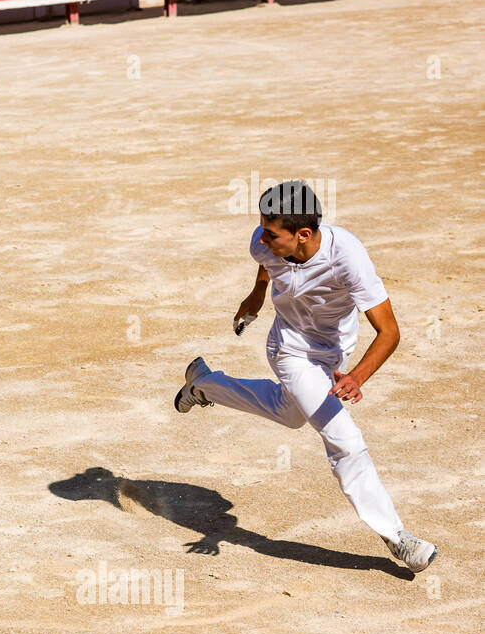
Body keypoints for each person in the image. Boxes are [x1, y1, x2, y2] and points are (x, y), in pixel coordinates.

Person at [173, 181, 438, 575]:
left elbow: (390, 332)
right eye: (262, 229)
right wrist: (257, 295)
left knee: (290, 413)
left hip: (335, 353)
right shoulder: (264, 244)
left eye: (272, 232)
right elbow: (267, 264)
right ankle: (398, 537)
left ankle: (204, 383)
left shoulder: (347, 255)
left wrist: (357, 377)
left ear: (304, 234)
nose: (262, 239)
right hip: (291, 351)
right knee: (343, 438)